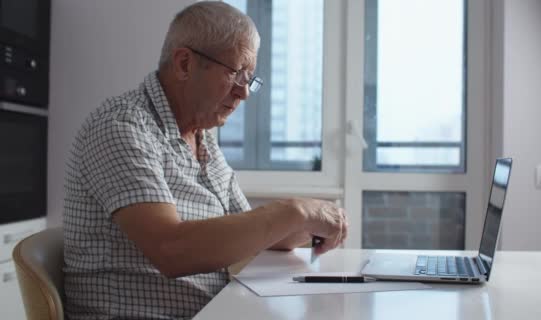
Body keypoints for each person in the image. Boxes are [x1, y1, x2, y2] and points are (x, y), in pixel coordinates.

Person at [62, 2, 347, 319]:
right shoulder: (121, 127)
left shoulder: (203, 137)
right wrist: (293, 210)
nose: (244, 93)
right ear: (184, 64)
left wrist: (310, 221)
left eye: (250, 78)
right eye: (237, 74)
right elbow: (171, 251)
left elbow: (255, 236)